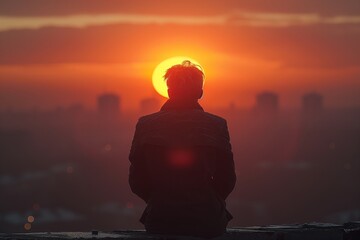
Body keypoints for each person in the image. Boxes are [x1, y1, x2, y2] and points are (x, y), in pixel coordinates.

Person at [129, 60, 236, 238]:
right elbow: (227, 179)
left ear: (169, 92)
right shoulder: (216, 125)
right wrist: (206, 201)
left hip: (161, 221)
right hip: (207, 222)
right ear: (200, 93)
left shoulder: (145, 125)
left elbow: (137, 181)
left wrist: (160, 201)